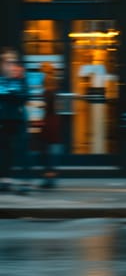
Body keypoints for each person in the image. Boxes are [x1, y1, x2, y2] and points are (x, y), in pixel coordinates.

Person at [0, 48, 30, 195]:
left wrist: (12, 95)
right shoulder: (1, 76)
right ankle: (5, 181)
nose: (8, 62)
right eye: (6, 59)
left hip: (18, 118)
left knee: (21, 150)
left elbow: (25, 94)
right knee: (5, 151)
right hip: (4, 118)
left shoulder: (20, 73)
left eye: (11, 59)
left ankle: (25, 182)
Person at [39, 61, 62, 189]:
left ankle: (48, 179)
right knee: (51, 151)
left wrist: (40, 105)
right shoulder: (55, 86)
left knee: (47, 152)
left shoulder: (48, 89)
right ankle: (51, 178)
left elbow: (46, 105)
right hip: (54, 122)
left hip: (48, 123)